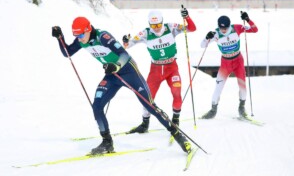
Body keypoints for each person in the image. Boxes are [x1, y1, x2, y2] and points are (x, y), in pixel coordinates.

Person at [51, 17, 192, 154]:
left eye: (81, 34)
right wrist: (60, 38)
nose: (79, 38)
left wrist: (116, 66)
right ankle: (107, 142)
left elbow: (123, 54)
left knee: (149, 105)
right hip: (112, 75)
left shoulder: (103, 37)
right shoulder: (81, 41)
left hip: (128, 71)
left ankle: (178, 135)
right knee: (97, 106)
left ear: (88, 29)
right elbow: (67, 52)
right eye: (76, 35)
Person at [122, 8, 196, 133]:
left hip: (171, 68)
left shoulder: (171, 27)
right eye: (153, 25)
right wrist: (125, 40)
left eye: (158, 24)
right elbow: (127, 46)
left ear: (162, 22)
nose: (156, 28)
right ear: (149, 24)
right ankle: (145, 124)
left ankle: (175, 121)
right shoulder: (145, 33)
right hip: (155, 70)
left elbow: (192, 29)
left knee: (177, 93)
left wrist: (187, 17)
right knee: (147, 97)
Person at [200, 12, 258, 119]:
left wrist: (248, 19)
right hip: (225, 63)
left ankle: (241, 108)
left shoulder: (237, 28)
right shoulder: (216, 34)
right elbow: (202, 45)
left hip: (238, 61)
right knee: (218, 87)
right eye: (222, 28)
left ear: (229, 25)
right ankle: (213, 110)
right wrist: (207, 37)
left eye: (226, 28)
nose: (224, 30)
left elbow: (255, 30)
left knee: (243, 87)